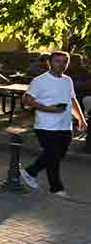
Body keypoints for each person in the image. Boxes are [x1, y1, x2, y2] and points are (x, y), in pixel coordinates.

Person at [20, 51, 85, 196]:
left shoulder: (67, 80)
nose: (61, 65)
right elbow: (27, 100)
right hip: (45, 126)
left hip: (65, 125)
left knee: (57, 154)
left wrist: (81, 119)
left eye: (64, 62)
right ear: (49, 62)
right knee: (53, 156)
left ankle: (30, 171)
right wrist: (49, 109)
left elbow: (72, 100)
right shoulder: (40, 80)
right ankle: (56, 188)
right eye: (57, 61)